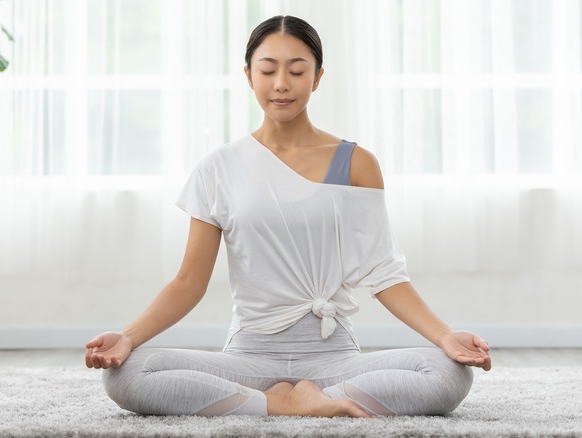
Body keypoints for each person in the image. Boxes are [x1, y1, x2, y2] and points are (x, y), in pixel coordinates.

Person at [85, 15, 491, 418]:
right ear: (249, 76)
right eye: (268, 71)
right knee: (128, 374)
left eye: (297, 71)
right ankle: (282, 402)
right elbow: (189, 282)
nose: (281, 84)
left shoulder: (356, 163)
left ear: (317, 77)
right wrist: (127, 337)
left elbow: (385, 273)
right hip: (249, 358)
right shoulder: (219, 168)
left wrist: (445, 336)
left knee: (447, 373)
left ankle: (280, 401)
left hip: (334, 359)